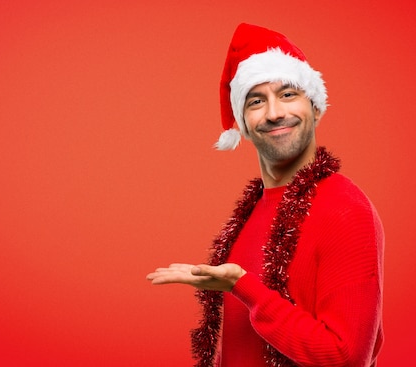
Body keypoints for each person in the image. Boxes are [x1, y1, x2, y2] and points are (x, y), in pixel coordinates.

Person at [146, 23, 384, 367]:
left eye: (288, 95)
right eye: (257, 101)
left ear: (315, 108)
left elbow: (345, 358)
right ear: (243, 123)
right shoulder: (251, 212)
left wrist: (245, 287)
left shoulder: (344, 209)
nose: (274, 113)